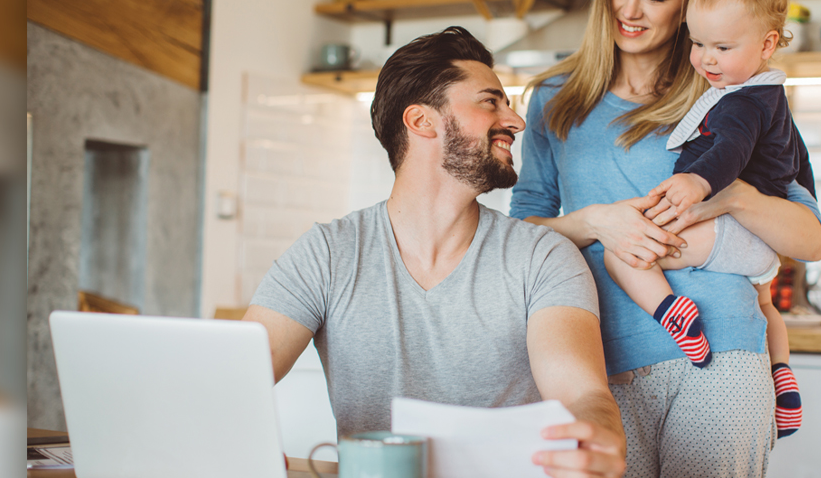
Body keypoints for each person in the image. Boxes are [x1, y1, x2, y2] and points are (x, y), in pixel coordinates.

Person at [242, 26, 626, 478]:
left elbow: (582, 396)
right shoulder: (327, 253)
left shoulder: (543, 257)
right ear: (422, 121)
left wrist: (595, 435)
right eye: (490, 101)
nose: (516, 121)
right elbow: (235, 379)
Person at [510, 0, 821, 475]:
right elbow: (523, 237)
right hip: (593, 365)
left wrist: (735, 196)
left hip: (721, 352)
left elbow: (812, 239)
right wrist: (595, 221)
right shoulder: (555, 99)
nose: (629, 11)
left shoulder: (733, 98)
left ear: (689, 5)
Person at [601, 0, 813, 440]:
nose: (705, 58)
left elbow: (731, 151)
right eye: (697, 43)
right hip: (755, 248)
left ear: (767, 45)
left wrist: (698, 184)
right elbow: (799, 176)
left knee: (626, 252)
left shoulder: (740, 102)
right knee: (766, 305)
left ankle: (671, 313)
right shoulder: (764, 95)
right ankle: (782, 372)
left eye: (721, 46)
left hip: (730, 232)